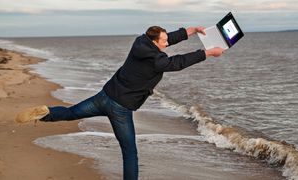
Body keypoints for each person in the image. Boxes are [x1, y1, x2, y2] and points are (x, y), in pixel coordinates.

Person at [16, 26, 225, 180]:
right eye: (163, 41)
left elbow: (167, 38)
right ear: (155, 42)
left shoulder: (140, 41)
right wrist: (206, 53)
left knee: (71, 112)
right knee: (130, 152)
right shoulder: (157, 59)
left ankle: (45, 113)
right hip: (120, 109)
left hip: (104, 96)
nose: (167, 42)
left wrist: (191, 31)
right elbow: (176, 63)